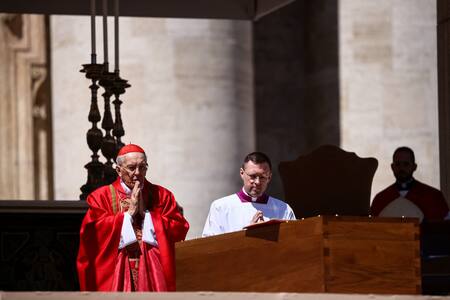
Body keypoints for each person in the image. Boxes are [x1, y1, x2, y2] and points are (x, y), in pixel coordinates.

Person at [77, 144, 189, 291]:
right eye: (131, 168)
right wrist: (128, 215)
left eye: (142, 167)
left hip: (153, 274)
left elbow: (179, 229)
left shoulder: (162, 195)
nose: (137, 173)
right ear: (118, 170)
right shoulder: (101, 197)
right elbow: (92, 234)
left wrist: (148, 216)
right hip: (119, 273)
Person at [202, 151, 296, 236]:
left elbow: (294, 242)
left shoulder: (283, 209)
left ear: (269, 177)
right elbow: (210, 246)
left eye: (262, 177)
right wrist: (247, 234)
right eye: (253, 176)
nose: (257, 182)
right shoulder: (220, 207)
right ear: (242, 173)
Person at [371, 146, 450, 222]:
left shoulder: (434, 196)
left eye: (406, 164)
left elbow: (444, 228)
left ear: (414, 166)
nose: (401, 168)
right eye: (398, 164)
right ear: (392, 167)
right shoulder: (380, 199)